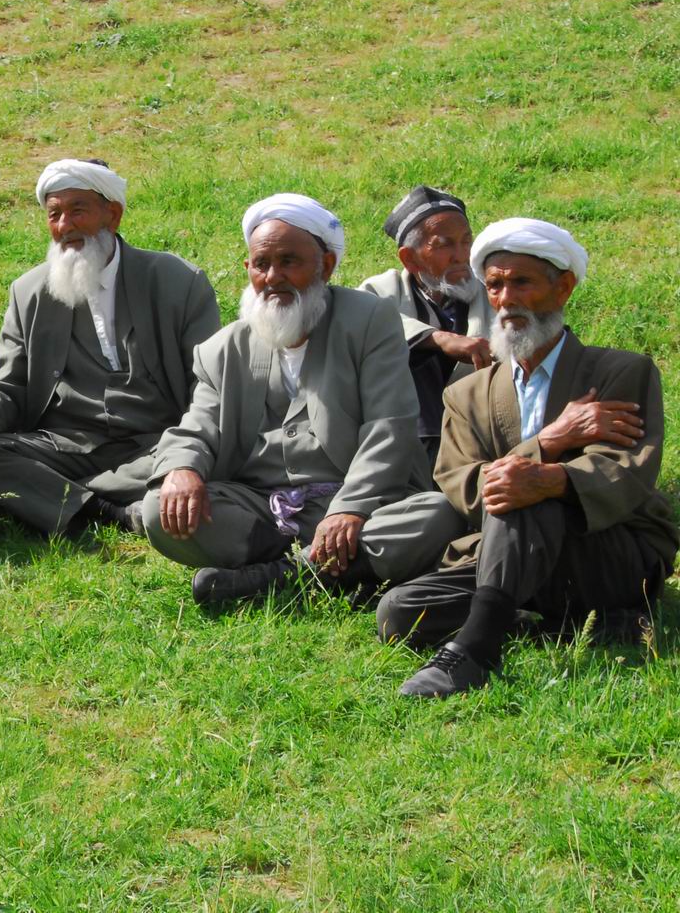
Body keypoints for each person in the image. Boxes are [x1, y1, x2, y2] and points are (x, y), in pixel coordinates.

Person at [377, 218, 679, 698]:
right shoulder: (468, 391)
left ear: (563, 288)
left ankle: (474, 652)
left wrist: (547, 479)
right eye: (494, 285)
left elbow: (624, 472)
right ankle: (556, 619)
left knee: (532, 489)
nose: (505, 299)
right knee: (399, 611)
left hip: (606, 551)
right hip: (509, 557)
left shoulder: (621, 371)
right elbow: (461, 485)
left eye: (522, 282)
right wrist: (550, 441)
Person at [144, 194, 464, 606]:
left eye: (289, 261)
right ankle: (330, 571)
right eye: (262, 264)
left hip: (357, 502)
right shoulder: (223, 349)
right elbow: (198, 426)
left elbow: (390, 427)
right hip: (259, 508)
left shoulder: (369, 322)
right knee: (159, 510)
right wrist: (182, 469)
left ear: (325, 266)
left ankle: (283, 578)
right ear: (249, 269)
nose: (273, 276)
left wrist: (350, 508)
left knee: (437, 515)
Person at [0, 159, 221, 536]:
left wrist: (185, 458)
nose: (64, 226)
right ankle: (110, 509)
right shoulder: (29, 292)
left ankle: (57, 497)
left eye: (77, 211)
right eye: (54, 214)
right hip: (66, 446)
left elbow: (208, 386)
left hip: (152, 444)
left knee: (206, 461)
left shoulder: (178, 283)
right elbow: (10, 384)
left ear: (113, 215)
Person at [357, 186, 494, 464]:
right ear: (410, 258)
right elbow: (363, 324)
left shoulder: (495, 291)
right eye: (444, 245)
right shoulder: (380, 291)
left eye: (466, 241)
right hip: (401, 441)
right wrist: (438, 340)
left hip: (485, 430)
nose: (461, 256)